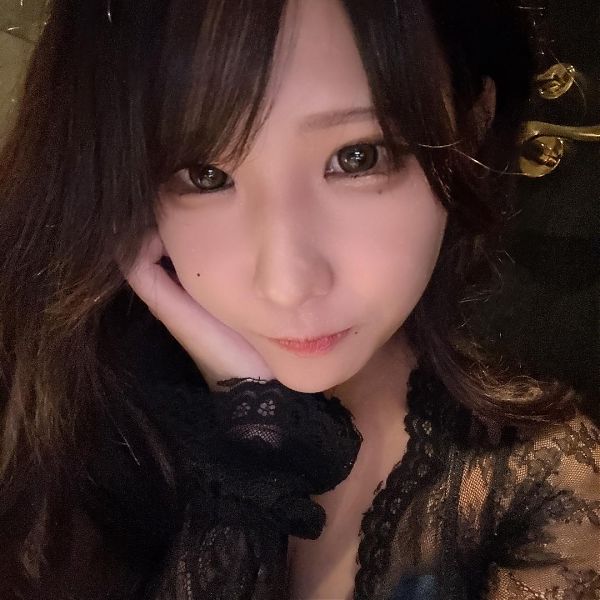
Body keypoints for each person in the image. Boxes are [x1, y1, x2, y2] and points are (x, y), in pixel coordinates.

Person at [0, 0, 598, 598]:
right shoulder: (61, 422)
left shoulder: (546, 493)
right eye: (205, 175)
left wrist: (250, 438)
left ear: (471, 128)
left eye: (358, 157)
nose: (286, 285)